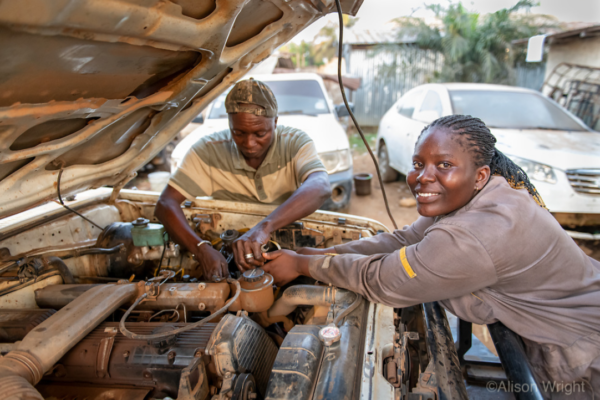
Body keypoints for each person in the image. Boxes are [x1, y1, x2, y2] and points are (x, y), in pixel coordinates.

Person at [262, 115, 600, 397]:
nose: (423, 177)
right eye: (418, 164)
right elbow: (405, 238)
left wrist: (304, 265)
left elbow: (385, 280)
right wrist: (324, 252)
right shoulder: (474, 194)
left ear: (480, 175)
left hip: (581, 354)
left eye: (444, 165)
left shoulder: (480, 232)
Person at [155, 78, 331, 280]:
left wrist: (264, 227)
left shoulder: (295, 143)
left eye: (260, 133)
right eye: (238, 133)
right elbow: (165, 203)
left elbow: (320, 185)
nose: (249, 143)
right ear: (229, 123)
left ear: (275, 122)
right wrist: (201, 249)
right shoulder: (207, 151)